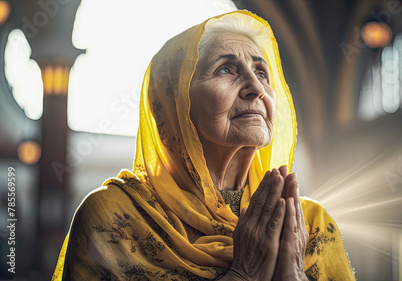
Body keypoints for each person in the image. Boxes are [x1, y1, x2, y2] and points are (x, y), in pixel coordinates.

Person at [52, 10, 356, 281]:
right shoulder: (115, 218)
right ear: (173, 105)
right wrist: (244, 274)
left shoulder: (308, 224)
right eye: (226, 69)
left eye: (262, 72)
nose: (256, 88)